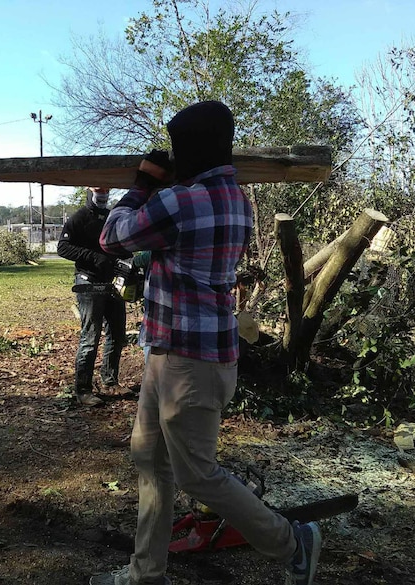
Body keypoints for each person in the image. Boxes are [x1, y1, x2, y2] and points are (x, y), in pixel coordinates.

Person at [94, 101, 322, 585]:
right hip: (174, 352)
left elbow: (111, 238)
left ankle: (291, 540)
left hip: (188, 362)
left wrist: (143, 184)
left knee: (196, 473)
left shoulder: (178, 202)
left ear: (189, 150)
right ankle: (144, 573)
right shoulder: (238, 197)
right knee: (150, 458)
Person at [57, 187, 129, 407]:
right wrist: (92, 257)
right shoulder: (79, 218)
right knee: (90, 337)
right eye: (99, 189)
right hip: (88, 282)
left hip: (112, 283)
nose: (103, 193)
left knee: (117, 333)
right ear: (89, 190)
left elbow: (119, 246)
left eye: (106, 189)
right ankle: (83, 389)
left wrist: (127, 261)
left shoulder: (109, 217)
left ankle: (110, 380)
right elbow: (63, 247)